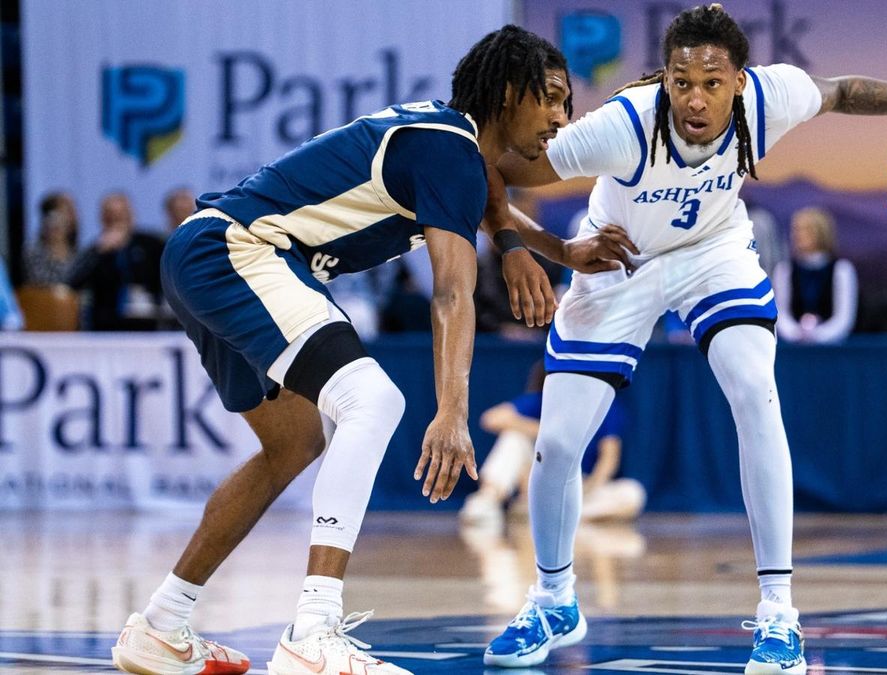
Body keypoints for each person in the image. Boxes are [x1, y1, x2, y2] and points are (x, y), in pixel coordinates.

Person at [484, 5, 887, 672]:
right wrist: (545, 247)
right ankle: (555, 598)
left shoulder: (770, 96)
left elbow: (843, 91)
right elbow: (488, 176)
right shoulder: (620, 128)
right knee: (556, 443)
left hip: (713, 252)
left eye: (711, 82)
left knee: (756, 392)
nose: (694, 98)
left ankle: (779, 614)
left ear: (739, 81)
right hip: (618, 261)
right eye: (680, 81)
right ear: (664, 81)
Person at [111, 26, 628, 675]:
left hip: (205, 255)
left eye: (567, 103)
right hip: (239, 252)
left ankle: (161, 623)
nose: (562, 116)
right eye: (550, 97)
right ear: (505, 93)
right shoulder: (450, 151)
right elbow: (451, 293)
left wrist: (550, 248)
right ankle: (313, 632)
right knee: (374, 399)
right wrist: (451, 409)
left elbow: (492, 194)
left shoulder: (452, 145)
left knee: (293, 444)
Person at [460, 364, 641, 527]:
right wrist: (546, 432)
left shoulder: (606, 407)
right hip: (539, 485)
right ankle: (488, 499)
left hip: (581, 488)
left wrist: (586, 490)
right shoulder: (542, 401)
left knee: (632, 493)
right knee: (513, 438)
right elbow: (491, 419)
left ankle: (560, 517)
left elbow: (609, 460)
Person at [68, 192, 165, 330]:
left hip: (147, 324)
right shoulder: (95, 249)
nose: (115, 219)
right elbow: (73, 282)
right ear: (102, 218)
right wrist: (98, 252)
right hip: (105, 325)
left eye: (120, 214)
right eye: (110, 215)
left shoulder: (151, 244)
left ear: (131, 216)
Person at [771, 206, 858, 344]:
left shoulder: (842, 270)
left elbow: (844, 318)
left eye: (805, 230)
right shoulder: (784, 270)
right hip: (794, 348)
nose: (797, 235)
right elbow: (780, 313)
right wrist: (796, 334)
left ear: (821, 232)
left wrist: (818, 336)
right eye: (796, 230)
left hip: (832, 349)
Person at [24, 192, 80, 287]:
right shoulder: (34, 249)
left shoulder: (76, 250)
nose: (74, 216)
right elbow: (40, 282)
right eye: (68, 210)